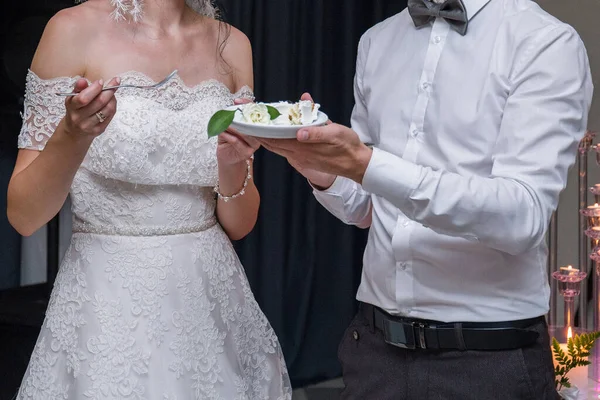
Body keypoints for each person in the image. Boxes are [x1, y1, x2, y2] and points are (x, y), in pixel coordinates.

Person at [258, 0, 593, 398]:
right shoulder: (377, 40)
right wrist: (321, 168)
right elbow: (367, 205)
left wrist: (367, 164)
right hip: (374, 355)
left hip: (488, 362)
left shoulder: (544, 41)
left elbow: (521, 217)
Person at [7, 0, 292, 398]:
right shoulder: (72, 29)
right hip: (106, 304)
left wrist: (231, 164)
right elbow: (24, 215)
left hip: (209, 300)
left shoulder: (233, 45)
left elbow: (240, 223)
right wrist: (72, 135)